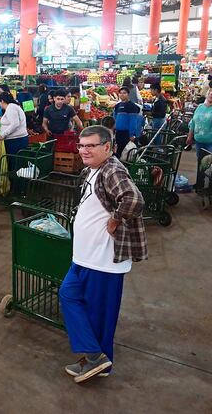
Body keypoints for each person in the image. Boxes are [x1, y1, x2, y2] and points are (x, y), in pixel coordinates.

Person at [59, 125, 147, 383]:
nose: (84, 150)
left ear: (107, 147)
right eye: (81, 145)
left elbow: (133, 199)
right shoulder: (92, 170)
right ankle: (95, 356)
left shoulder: (112, 170)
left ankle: (99, 363)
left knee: (100, 316)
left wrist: (115, 220)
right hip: (84, 257)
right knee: (68, 294)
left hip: (103, 260)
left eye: (91, 146)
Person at [113, 87, 142, 158]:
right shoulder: (117, 106)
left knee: (126, 152)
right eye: (120, 93)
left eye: (124, 93)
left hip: (127, 134)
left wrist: (131, 134)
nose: (122, 95)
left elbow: (133, 121)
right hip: (118, 133)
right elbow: (114, 118)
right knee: (118, 151)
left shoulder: (132, 106)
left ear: (128, 94)